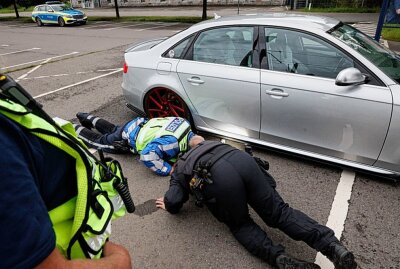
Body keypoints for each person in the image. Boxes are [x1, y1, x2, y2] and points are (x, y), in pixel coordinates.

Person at [156, 140, 357, 269]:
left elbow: (173, 200)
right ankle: (332, 246)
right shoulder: (209, 143)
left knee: (241, 224)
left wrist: (168, 204)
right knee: (279, 213)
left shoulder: (180, 168)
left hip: (220, 180)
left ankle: (279, 259)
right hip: (241, 160)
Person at [0, 74, 132, 268]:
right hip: (72, 250)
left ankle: (83, 121)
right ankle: (84, 120)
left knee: (107, 136)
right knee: (105, 139)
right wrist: (120, 262)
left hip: (130, 132)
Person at [74, 112, 202, 176]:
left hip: (136, 124)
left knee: (113, 129)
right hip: (128, 138)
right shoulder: (173, 143)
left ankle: (85, 116)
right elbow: (147, 155)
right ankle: (73, 128)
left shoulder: (184, 123)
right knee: (98, 141)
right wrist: (168, 170)